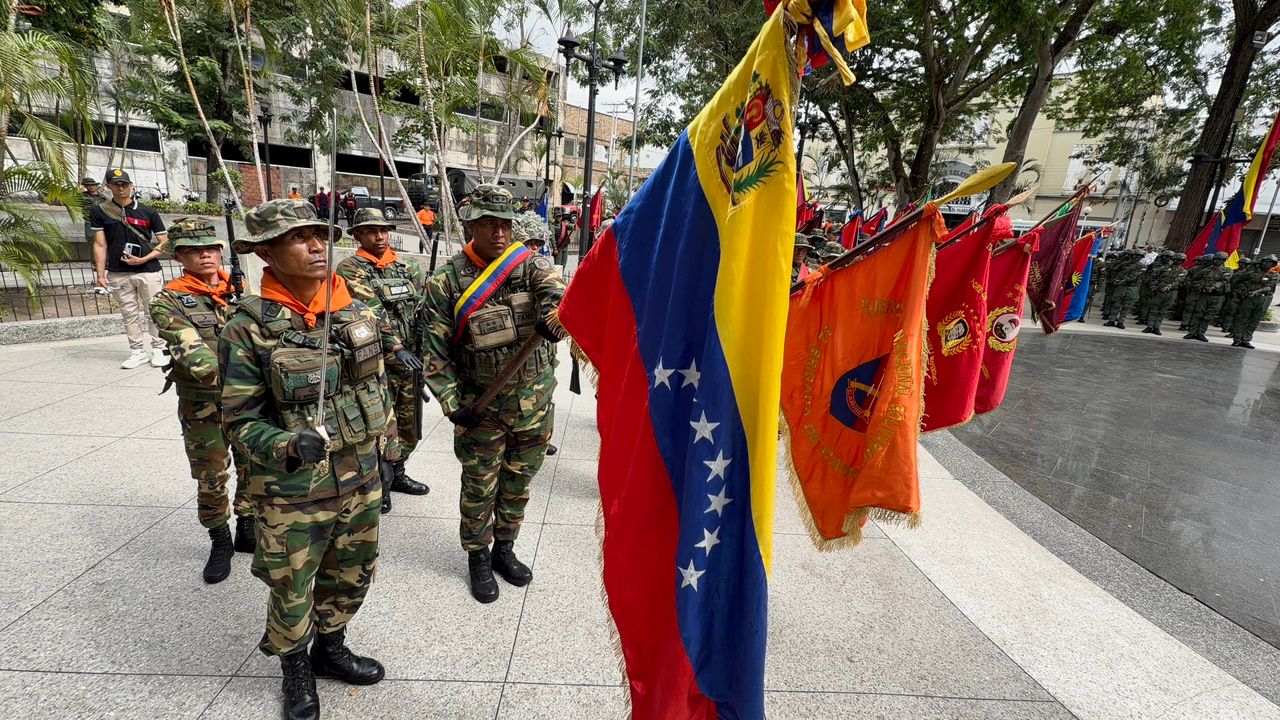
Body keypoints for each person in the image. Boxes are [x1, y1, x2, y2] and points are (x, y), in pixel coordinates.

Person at [219, 199, 410, 720]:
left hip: (361, 477)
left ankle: (332, 647)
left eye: (317, 234)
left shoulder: (355, 310)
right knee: (293, 585)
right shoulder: (247, 328)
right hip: (294, 490)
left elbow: (379, 389)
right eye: (297, 238)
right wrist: (285, 444)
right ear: (265, 252)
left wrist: (389, 453)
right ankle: (295, 668)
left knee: (352, 572)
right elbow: (238, 420)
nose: (315, 246)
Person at [420, 184, 565, 603]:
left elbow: (556, 293)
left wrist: (555, 314)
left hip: (534, 405)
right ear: (471, 226)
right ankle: (478, 557)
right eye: (488, 223)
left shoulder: (530, 265)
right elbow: (433, 352)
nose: (499, 232)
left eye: (504, 223)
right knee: (479, 487)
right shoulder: (446, 281)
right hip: (480, 408)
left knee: (518, 483)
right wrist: (453, 405)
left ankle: (504, 548)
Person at [148, 217, 255, 583]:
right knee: (211, 476)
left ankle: (247, 527)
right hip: (204, 404)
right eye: (195, 250)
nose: (205, 255)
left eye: (211, 248)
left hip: (248, 401)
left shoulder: (239, 289)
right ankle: (220, 541)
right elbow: (194, 353)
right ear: (179, 256)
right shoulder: (167, 300)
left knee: (252, 465)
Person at [335, 208, 431, 512]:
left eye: (383, 230)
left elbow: (421, 306)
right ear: (357, 235)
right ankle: (380, 483)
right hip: (375, 362)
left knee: (408, 423)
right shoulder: (350, 269)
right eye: (370, 231)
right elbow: (370, 310)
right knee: (380, 426)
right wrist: (396, 346)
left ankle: (398, 472)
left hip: (410, 361)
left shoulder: (407, 266)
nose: (379, 236)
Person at [90, 169, 171, 369]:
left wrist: (144, 258)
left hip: (148, 270)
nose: (121, 188)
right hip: (118, 271)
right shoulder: (100, 211)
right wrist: (100, 275)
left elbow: (165, 242)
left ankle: (159, 348)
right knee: (129, 313)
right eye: (116, 184)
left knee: (154, 310)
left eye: (124, 184)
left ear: (131, 186)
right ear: (108, 186)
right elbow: (100, 244)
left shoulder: (148, 212)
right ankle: (137, 351)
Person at [1231, 255, 1278, 349]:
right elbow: (1235, 279)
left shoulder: (1274, 275)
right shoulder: (1252, 273)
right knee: (1242, 318)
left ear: (1273, 264)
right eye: (1265, 261)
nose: (1266, 264)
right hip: (1249, 298)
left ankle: (1246, 340)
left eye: (1269, 262)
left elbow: (1269, 287)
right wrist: (1239, 291)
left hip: (1263, 299)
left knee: (1255, 320)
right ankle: (1237, 339)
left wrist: (1256, 292)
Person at [1183, 251, 1232, 342]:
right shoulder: (1207, 270)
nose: (1217, 261)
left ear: (1224, 260)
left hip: (1217, 296)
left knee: (1208, 316)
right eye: (1216, 259)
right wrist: (1200, 286)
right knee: (1198, 314)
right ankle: (1192, 332)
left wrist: (1213, 287)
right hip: (1205, 295)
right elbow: (1194, 279)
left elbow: (1223, 281)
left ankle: (1201, 333)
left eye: (1220, 260)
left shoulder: (1227, 270)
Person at [1140, 252, 1185, 336]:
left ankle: (1156, 327)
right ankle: (1149, 326)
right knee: (1154, 309)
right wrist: (1154, 286)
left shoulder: (1183, 271)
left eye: (1180, 260)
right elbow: (1153, 276)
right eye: (1177, 259)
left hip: (1171, 292)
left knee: (1163, 311)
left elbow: (1178, 281)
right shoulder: (1164, 268)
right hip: (1159, 291)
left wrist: (1168, 287)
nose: (1178, 261)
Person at [1219, 256, 1253, 334]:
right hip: (1233, 293)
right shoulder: (1234, 271)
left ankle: (1231, 327)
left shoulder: (1249, 274)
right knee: (1229, 310)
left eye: (1243, 263)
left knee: (1238, 313)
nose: (1241, 265)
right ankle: (1225, 326)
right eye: (1240, 263)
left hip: (1243, 295)